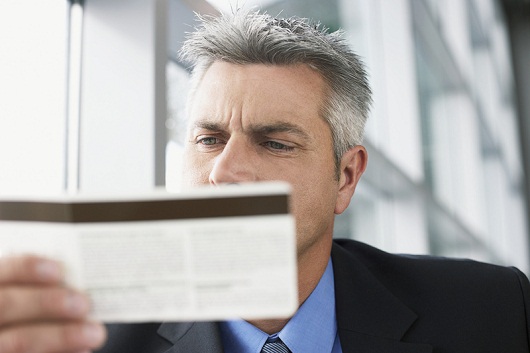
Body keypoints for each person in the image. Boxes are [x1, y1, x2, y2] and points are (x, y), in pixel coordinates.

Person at [0, 9, 529, 353]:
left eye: (275, 143)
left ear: (346, 177)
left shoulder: (491, 311)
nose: (225, 172)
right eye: (208, 139)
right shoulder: (88, 336)